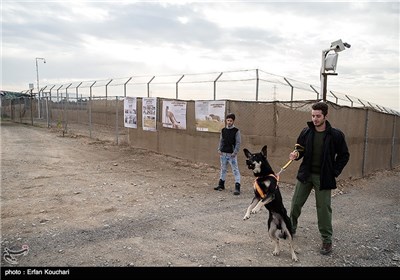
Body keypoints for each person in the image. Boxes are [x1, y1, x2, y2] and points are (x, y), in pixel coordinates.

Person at [289, 102, 350, 255]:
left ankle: (327, 240)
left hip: (323, 177)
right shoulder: (306, 132)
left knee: (323, 209)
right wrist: (295, 154)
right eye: (313, 116)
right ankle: (291, 228)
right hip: (306, 174)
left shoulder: (335, 134)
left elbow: (344, 155)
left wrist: (334, 171)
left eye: (318, 116)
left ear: (325, 116)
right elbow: (299, 149)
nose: (315, 119)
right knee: (296, 202)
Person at [214, 113, 241, 195]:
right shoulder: (223, 130)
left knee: (235, 170)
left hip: (231, 154)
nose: (229, 122)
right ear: (226, 120)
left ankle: (237, 186)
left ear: (233, 121)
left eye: (231, 121)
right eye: (228, 120)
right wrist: (219, 149)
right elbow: (221, 140)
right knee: (223, 169)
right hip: (223, 153)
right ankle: (221, 184)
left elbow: (238, 142)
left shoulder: (236, 131)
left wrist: (235, 152)